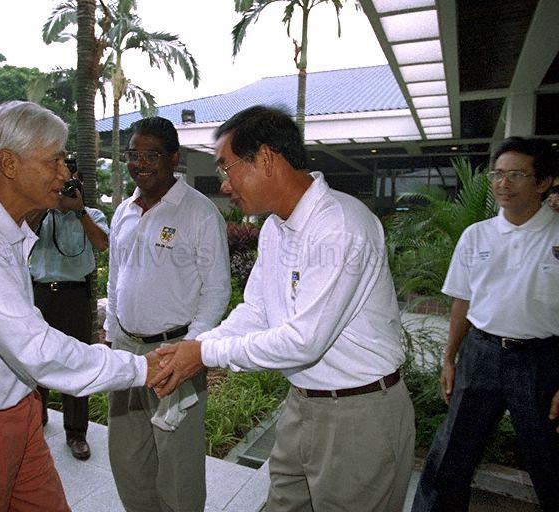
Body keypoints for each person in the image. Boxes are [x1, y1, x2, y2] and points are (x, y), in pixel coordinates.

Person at [0, 101, 161, 511]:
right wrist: (142, 368)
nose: (65, 174)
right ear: (9, 164)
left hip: (16, 417)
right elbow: (35, 348)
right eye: (54, 160)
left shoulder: (7, 231)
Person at [152, 105, 416, 512]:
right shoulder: (276, 228)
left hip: (358, 414)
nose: (225, 184)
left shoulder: (340, 226)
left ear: (265, 159)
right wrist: (195, 347)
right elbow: (256, 311)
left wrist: (203, 354)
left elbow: (303, 341)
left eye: (227, 168)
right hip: (302, 404)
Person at [411, 136, 559, 512]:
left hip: (542, 360)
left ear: (544, 182)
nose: (503, 184)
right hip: (481, 355)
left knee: (550, 460)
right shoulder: (476, 235)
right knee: (450, 455)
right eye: (497, 174)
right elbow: (462, 300)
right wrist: (449, 358)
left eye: (517, 175)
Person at [104, 116, 231, 512]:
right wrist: (111, 334)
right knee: (128, 456)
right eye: (133, 155)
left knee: (178, 463)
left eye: (151, 155)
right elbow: (115, 278)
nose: (140, 164)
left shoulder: (199, 212)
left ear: (174, 159)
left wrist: (191, 349)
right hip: (127, 350)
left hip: (173, 352)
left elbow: (217, 289)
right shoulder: (123, 211)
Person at [28, 166, 109, 461]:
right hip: (40, 294)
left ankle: (76, 433)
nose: (65, 188)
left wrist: (79, 211)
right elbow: (21, 235)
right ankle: (36, 419)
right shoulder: (40, 213)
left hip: (76, 296)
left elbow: (102, 243)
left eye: (71, 182)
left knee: (76, 363)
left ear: (81, 184)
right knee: (36, 359)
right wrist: (45, 203)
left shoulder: (92, 214)